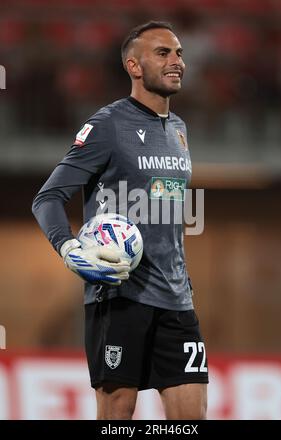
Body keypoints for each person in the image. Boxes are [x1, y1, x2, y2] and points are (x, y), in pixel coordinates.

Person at [32, 21, 208, 420]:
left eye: (179, 53)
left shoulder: (179, 130)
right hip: (119, 298)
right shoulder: (107, 126)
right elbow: (48, 198)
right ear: (133, 66)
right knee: (117, 417)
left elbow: (165, 209)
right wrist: (69, 246)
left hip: (177, 301)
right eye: (163, 53)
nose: (176, 61)